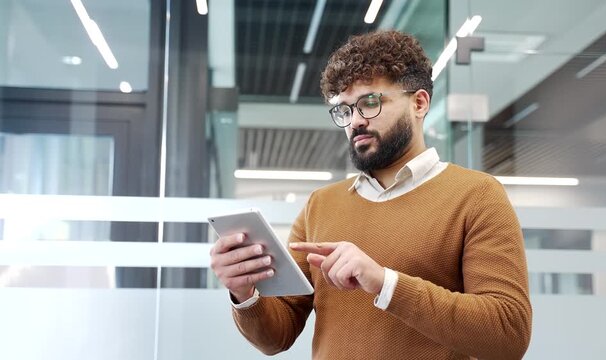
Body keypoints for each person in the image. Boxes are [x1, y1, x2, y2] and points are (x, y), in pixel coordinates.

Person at [210, 30, 532, 360]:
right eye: (345, 110)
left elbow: (508, 334)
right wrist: (244, 292)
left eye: (370, 103)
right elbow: (276, 337)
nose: (356, 122)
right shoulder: (320, 205)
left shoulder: (476, 195)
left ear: (419, 103)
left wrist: (384, 283)